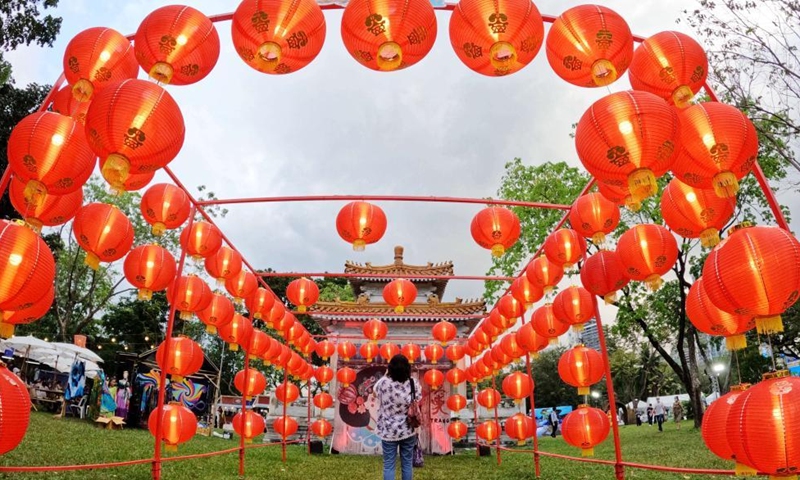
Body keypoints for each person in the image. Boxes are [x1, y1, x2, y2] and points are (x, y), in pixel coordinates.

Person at [374, 354, 421, 480]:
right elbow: (418, 400)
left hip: (388, 431)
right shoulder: (413, 383)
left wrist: (385, 375)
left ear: (390, 368)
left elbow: (374, 391)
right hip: (407, 430)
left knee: (389, 465)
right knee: (407, 464)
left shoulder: (384, 383)